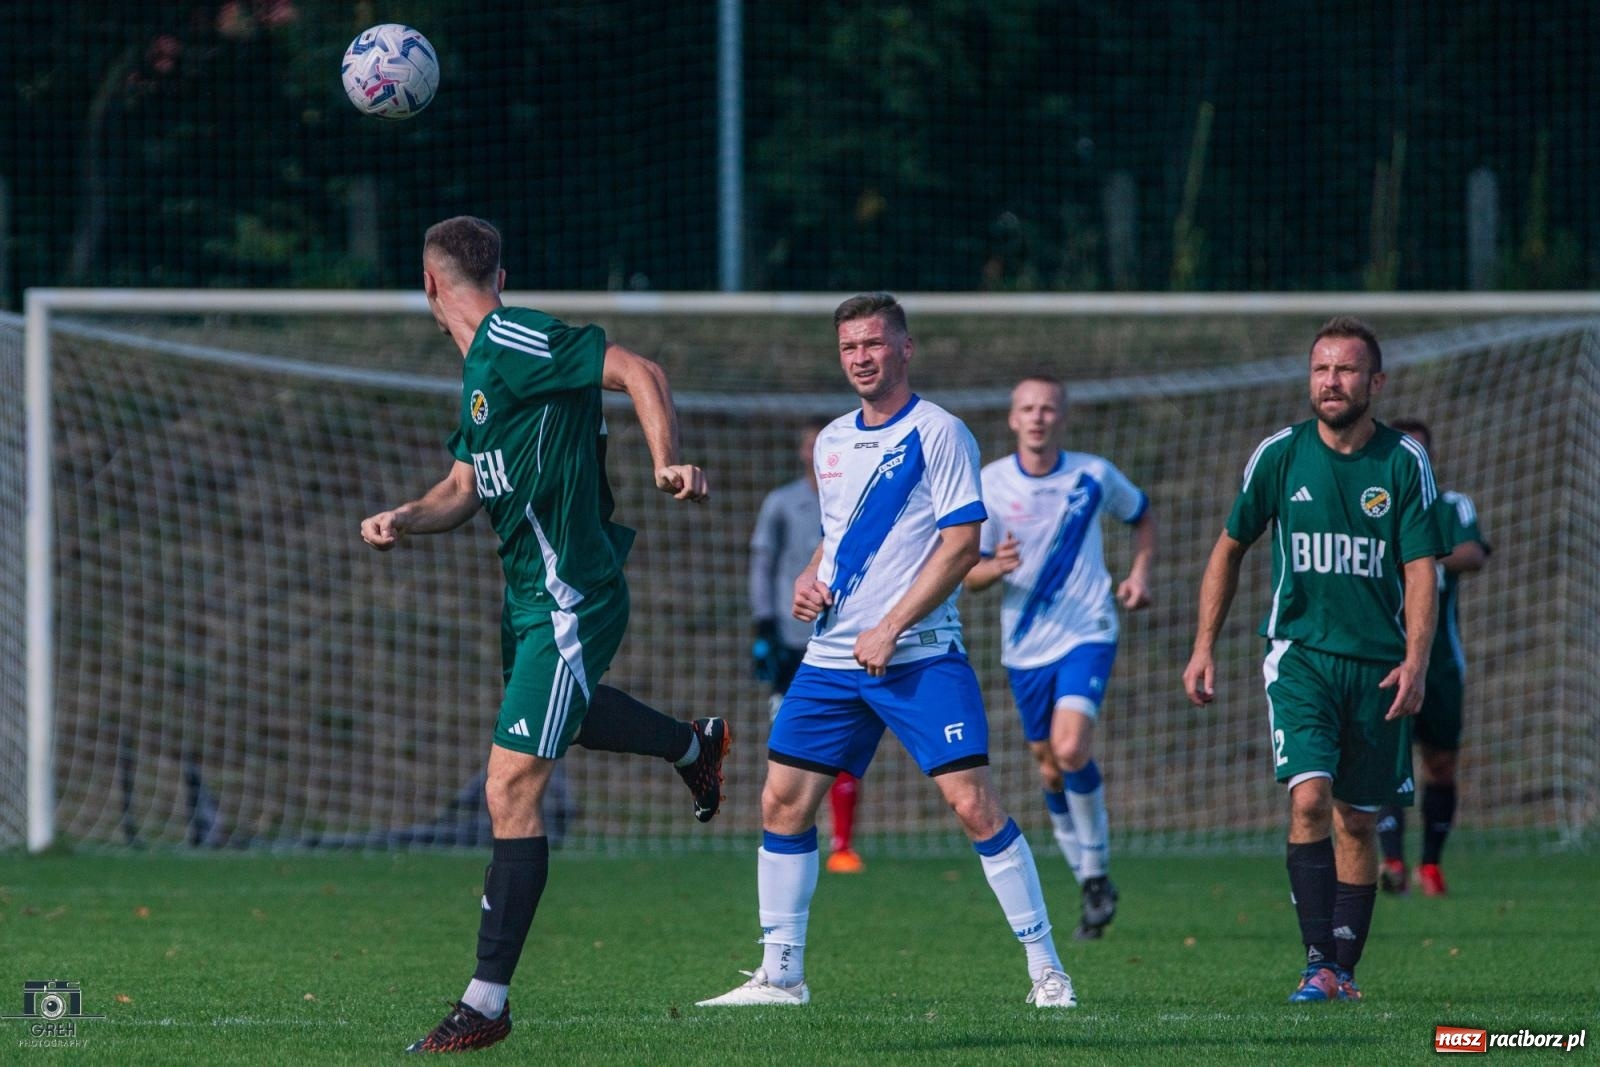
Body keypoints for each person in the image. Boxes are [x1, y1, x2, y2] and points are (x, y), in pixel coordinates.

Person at [360, 216, 731, 1053]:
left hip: (572, 596)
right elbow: (463, 486)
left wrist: (668, 457)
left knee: (510, 788)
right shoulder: (481, 371)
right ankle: (691, 746)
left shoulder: (511, 332)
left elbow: (638, 368)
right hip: (527, 599)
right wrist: (404, 518)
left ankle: (485, 1003)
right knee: (565, 718)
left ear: (428, 284)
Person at [698, 292, 1076, 1010]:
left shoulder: (941, 432)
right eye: (849, 348)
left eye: (873, 344)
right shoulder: (833, 440)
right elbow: (839, 533)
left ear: (905, 348)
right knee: (781, 801)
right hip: (833, 657)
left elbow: (962, 544)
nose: (861, 358)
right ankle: (781, 974)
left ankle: (1047, 968)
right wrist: (813, 576)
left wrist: (893, 624)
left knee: (973, 805)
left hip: (922, 655)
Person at [1182, 317, 1445, 1003]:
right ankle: (1315, 962)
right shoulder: (1280, 454)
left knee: (1358, 819)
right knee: (1308, 799)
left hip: (1380, 666)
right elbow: (1230, 546)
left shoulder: (1403, 462)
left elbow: (1422, 569)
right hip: (1300, 657)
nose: (1332, 381)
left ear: (1376, 382)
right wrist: (1205, 643)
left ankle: (1344, 972)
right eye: (1321, 369)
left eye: (1348, 370)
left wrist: (1417, 659)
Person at [964, 375, 1155, 939]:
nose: (1038, 417)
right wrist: (992, 567)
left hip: (1087, 629)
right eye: (1028, 408)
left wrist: (1140, 573)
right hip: (1024, 644)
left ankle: (1095, 876)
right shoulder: (990, 484)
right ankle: (1092, 883)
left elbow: (1141, 515)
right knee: (1048, 764)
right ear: (1012, 419)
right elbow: (966, 572)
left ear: (1062, 418)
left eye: (1048, 408)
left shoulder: (1092, 475)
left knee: (1071, 748)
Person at [1376, 418, 1490, 897]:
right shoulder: (1374, 503)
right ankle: (1394, 864)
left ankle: (1431, 867)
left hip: (1440, 662)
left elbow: (1473, 552)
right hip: (1382, 654)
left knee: (1440, 763)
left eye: (1421, 452)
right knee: (1385, 763)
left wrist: (1421, 559)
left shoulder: (1449, 506)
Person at [750, 424, 866, 874]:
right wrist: (764, 625)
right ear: (803, 451)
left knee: (846, 741)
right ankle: (790, 830)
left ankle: (842, 843)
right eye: (809, 442)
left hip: (845, 637)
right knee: (789, 739)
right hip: (792, 637)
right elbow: (763, 565)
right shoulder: (781, 503)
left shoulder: (858, 499)